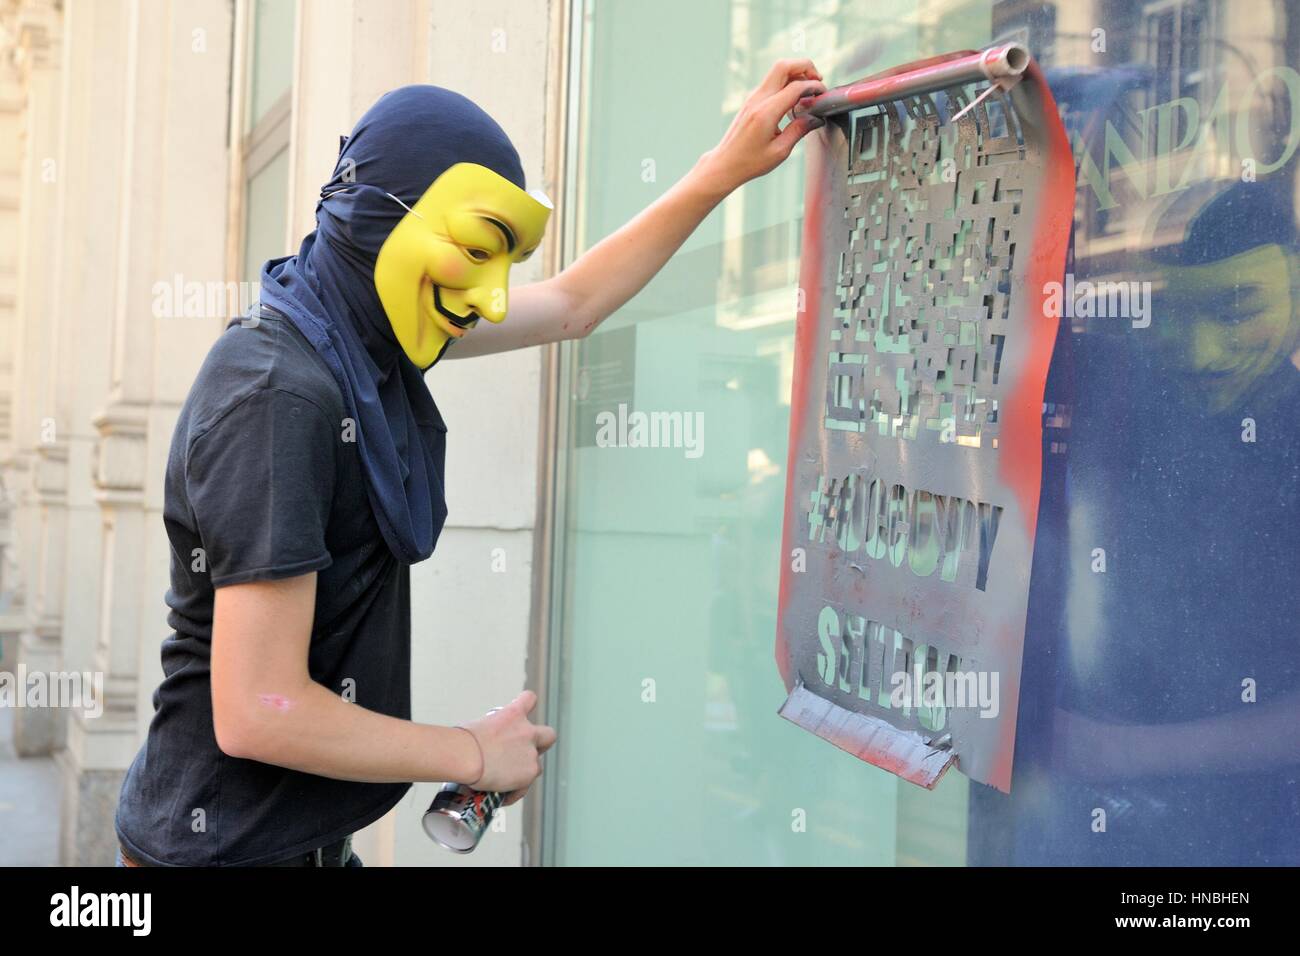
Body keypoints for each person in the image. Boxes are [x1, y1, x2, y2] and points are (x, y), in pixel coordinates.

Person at [114, 63, 826, 866]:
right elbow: (259, 708)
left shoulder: (359, 334)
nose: (490, 299)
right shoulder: (281, 393)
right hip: (219, 851)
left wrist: (719, 172)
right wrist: (470, 754)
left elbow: (570, 304)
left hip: (293, 844)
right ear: (380, 218)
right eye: (480, 249)